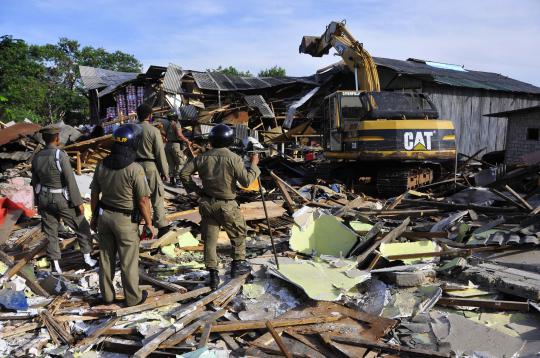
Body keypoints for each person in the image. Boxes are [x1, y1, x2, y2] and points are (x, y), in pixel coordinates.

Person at [179, 124, 260, 290]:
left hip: (207, 203)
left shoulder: (203, 157)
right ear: (229, 140)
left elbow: (183, 173)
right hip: (227, 204)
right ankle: (237, 265)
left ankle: (213, 274)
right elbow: (246, 182)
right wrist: (254, 166)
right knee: (238, 234)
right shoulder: (233, 158)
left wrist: (196, 190)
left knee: (210, 239)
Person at [90, 124, 153, 306]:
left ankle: (107, 297)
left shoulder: (101, 165)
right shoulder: (135, 169)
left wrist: (94, 217)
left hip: (104, 217)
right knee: (128, 262)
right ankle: (133, 298)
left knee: (106, 258)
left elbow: (95, 194)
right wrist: (149, 223)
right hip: (125, 221)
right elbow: (143, 200)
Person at [31, 126, 97, 273]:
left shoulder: (37, 157)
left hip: (44, 198)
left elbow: (34, 182)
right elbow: (70, 180)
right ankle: (88, 259)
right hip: (60, 197)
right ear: (57, 138)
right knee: (81, 226)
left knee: (51, 232)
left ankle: (56, 266)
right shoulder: (60, 155)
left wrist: (38, 202)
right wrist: (78, 202)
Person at [134, 103, 170, 237]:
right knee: (156, 196)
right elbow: (160, 153)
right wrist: (165, 172)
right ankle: (161, 225)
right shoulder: (153, 131)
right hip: (150, 166)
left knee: (137, 197)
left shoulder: (132, 129)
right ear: (150, 116)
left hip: (134, 166)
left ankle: (135, 224)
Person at [165, 114, 191, 186]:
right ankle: (178, 180)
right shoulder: (177, 124)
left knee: (171, 163)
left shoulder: (166, 124)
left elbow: (163, 133)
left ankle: (171, 179)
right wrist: (186, 140)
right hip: (176, 145)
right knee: (180, 162)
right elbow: (179, 135)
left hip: (167, 145)